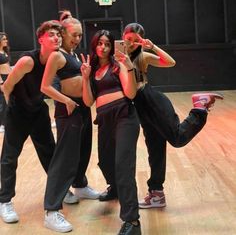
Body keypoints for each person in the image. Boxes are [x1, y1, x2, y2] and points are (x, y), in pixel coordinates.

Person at [122, 22, 224, 209]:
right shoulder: (118, 57)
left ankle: (199, 109)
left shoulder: (141, 56)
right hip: (142, 109)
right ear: (123, 36)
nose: (131, 43)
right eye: (128, 39)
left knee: (177, 139)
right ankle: (156, 194)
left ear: (141, 42)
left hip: (151, 100)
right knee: (155, 150)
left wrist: (152, 46)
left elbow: (170, 62)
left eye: (136, 41)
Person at [0, 20, 62, 224]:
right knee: (10, 157)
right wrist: (12, 109)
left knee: (50, 153)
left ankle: (59, 192)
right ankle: (5, 200)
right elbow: (7, 86)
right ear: (41, 39)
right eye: (51, 34)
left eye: (58, 35)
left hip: (38, 112)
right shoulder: (28, 61)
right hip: (18, 113)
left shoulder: (55, 59)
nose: (56, 37)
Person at [41, 14, 98, 233]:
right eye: (74, 35)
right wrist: (67, 100)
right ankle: (51, 211)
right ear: (63, 34)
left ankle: (80, 186)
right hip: (68, 110)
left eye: (80, 35)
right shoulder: (57, 55)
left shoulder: (72, 54)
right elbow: (45, 86)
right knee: (64, 160)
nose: (77, 39)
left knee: (83, 151)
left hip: (82, 108)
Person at [81, 30, 141, 235]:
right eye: (100, 43)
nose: (103, 47)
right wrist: (85, 77)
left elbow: (131, 93)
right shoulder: (94, 70)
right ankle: (114, 189)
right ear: (94, 46)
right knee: (106, 162)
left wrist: (130, 67)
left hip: (125, 117)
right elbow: (88, 101)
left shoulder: (119, 65)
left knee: (123, 167)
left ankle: (132, 222)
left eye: (107, 44)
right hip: (105, 120)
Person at [0, 32, 12, 133]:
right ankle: (2, 124)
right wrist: (0, 82)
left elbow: (8, 66)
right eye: (4, 39)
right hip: (2, 79)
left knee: (9, 100)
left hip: (9, 77)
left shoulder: (5, 51)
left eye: (6, 39)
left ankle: (8, 121)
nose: (6, 41)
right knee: (3, 102)